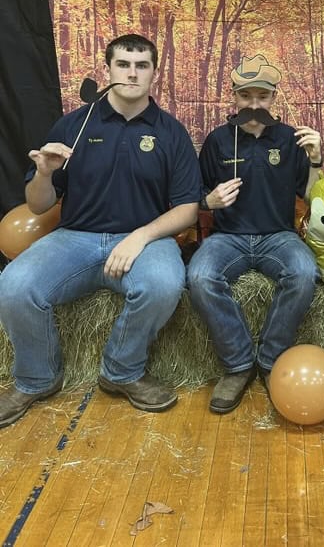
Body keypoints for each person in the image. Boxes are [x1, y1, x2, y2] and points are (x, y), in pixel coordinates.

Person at [0, 34, 202, 428]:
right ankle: (36, 378)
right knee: (14, 284)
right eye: (123, 64)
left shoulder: (170, 132)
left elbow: (188, 210)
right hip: (75, 237)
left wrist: (140, 237)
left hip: (146, 239)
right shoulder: (74, 125)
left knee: (164, 284)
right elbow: (39, 204)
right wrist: (44, 173)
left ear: (153, 74)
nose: (131, 73)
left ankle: (122, 371)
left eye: (141, 66)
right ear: (107, 70)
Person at [187, 55, 323, 414]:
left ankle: (270, 359)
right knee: (199, 276)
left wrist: (316, 160)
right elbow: (197, 195)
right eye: (246, 96)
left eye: (262, 97)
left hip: (278, 236)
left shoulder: (291, 139)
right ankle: (238, 363)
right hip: (228, 237)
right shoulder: (217, 141)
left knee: (304, 272)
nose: (254, 105)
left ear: (273, 98)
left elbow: (312, 196)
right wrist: (210, 200)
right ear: (233, 97)